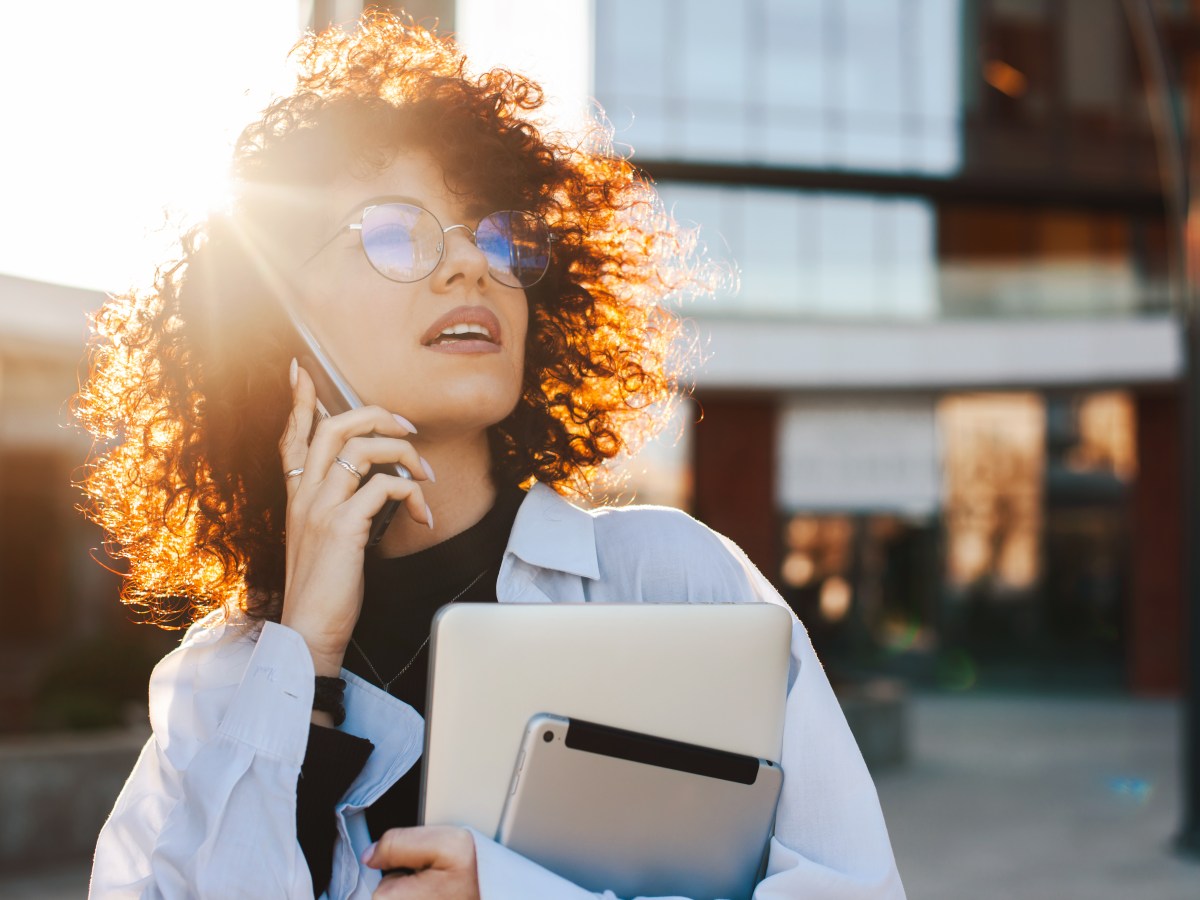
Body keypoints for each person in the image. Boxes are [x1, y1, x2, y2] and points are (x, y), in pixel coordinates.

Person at [80, 12, 905, 899]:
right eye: (395, 232)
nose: (471, 264)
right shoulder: (219, 680)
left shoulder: (672, 580)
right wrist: (304, 664)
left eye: (498, 236)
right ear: (275, 321)